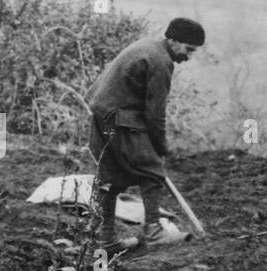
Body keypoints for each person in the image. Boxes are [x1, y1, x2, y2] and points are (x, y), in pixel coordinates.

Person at [87, 17, 205, 251]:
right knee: (152, 171)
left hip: (103, 117)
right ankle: (153, 231)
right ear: (172, 40)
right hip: (119, 119)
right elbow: (154, 114)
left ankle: (105, 239)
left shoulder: (147, 46)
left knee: (109, 178)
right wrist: (159, 147)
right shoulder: (161, 61)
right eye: (188, 49)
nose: (188, 56)